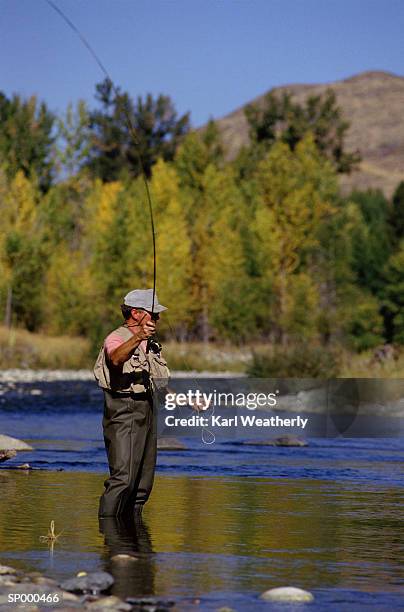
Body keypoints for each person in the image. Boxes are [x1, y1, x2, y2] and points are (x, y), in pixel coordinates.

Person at [94, 288, 169, 519]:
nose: (157, 319)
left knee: (142, 484)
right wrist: (138, 338)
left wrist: (188, 400)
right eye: (153, 314)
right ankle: (108, 531)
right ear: (136, 313)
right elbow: (116, 358)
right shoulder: (115, 337)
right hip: (123, 411)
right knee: (123, 479)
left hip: (147, 410)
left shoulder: (151, 345)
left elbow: (155, 381)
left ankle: (132, 534)